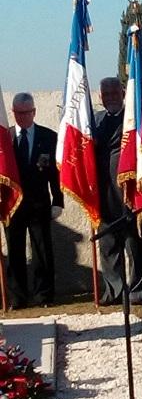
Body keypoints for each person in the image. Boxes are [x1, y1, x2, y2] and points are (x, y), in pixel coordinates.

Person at [94, 77, 142, 306]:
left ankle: (137, 291)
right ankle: (114, 290)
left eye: (114, 94)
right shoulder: (94, 121)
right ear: (100, 97)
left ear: (123, 93)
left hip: (130, 190)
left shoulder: (133, 119)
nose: (110, 98)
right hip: (103, 193)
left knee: (134, 244)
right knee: (107, 245)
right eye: (106, 95)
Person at [7, 93, 63, 309]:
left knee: (42, 250)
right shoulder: (5, 138)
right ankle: (17, 297)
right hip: (12, 205)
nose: (23, 117)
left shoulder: (48, 136)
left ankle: (44, 295)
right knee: (15, 251)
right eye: (18, 113)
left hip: (39, 203)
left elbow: (56, 174)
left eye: (27, 112)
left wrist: (58, 200)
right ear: (13, 113)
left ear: (34, 112)